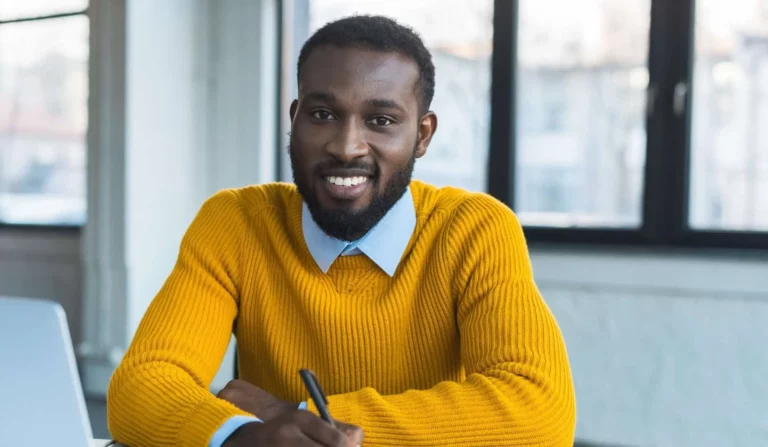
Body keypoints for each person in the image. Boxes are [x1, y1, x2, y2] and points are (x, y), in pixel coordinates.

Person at [106, 14, 576, 447]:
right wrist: (246, 437)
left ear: (423, 135)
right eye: (323, 114)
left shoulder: (474, 229)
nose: (346, 147)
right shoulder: (236, 221)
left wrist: (295, 416)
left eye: (381, 120)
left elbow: (540, 412)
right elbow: (141, 387)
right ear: (295, 119)